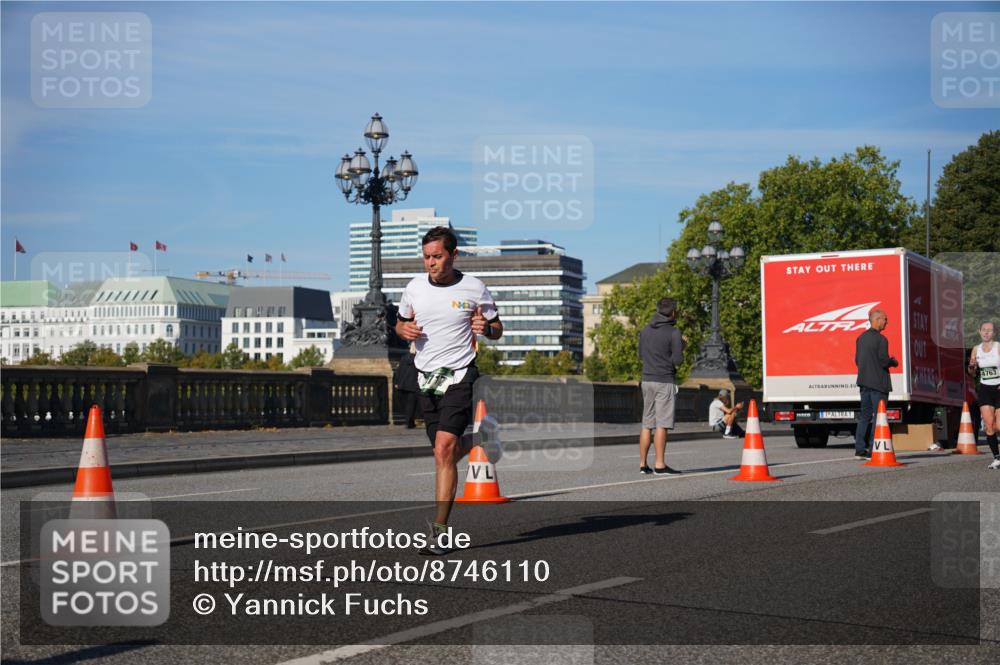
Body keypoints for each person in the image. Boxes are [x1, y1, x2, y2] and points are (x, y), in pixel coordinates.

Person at [395, 226, 503, 553]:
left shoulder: (474, 288)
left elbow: (497, 327)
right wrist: (404, 330)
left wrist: (487, 328)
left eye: (437, 256)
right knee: (443, 452)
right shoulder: (414, 288)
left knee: (443, 449)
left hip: (460, 374)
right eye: (427, 257)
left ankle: (438, 532)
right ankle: (478, 440)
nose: (431, 263)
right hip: (425, 377)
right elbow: (400, 323)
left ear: (453, 255)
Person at [637, 297, 685, 475]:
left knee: (646, 424)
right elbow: (677, 360)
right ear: (673, 312)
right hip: (664, 380)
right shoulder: (674, 332)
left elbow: (641, 355)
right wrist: (682, 346)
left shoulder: (645, 330)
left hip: (647, 380)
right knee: (662, 424)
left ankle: (643, 465)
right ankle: (660, 464)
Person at [854, 309, 898, 459]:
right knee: (879, 417)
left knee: (864, 416)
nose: (887, 322)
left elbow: (857, 361)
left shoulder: (860, 338)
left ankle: (860, 449)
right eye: (885, 319)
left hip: (864, 383)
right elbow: (883, 360)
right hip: (878, 384)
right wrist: (893, 361)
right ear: (877, 320)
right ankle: (874, 449)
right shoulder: (881, 339)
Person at [968, 321, 999, 469]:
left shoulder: (998, 347)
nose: (986, 332)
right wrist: (972, 367)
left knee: (999, 425)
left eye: (989, 330)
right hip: (985, 389)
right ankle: (997, 458)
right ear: (979, 332)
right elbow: (972, 372)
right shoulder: (976, 349)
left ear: (994, 333)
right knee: (989, 426)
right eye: (984, 330)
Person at [393, 345, 420, 428]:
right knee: (412, 404)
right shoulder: (419, 359)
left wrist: (397, 382)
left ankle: (409, 421)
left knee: (408, 404)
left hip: (404, 384)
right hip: (414, 384)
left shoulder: (405, 357)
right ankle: (410, 422)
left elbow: (399, 371)